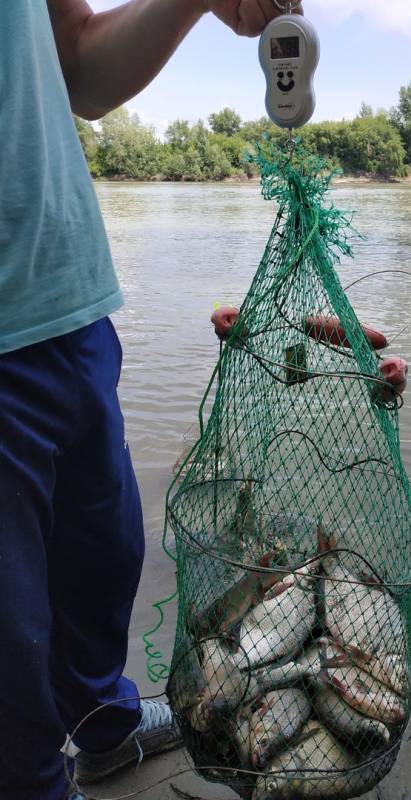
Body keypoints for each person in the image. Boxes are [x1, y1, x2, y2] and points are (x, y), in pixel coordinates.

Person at [0, 2, 301, 799]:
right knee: (8, 650)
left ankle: (104, 725)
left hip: (69, 304)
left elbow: (80, 65)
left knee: (107, 554)